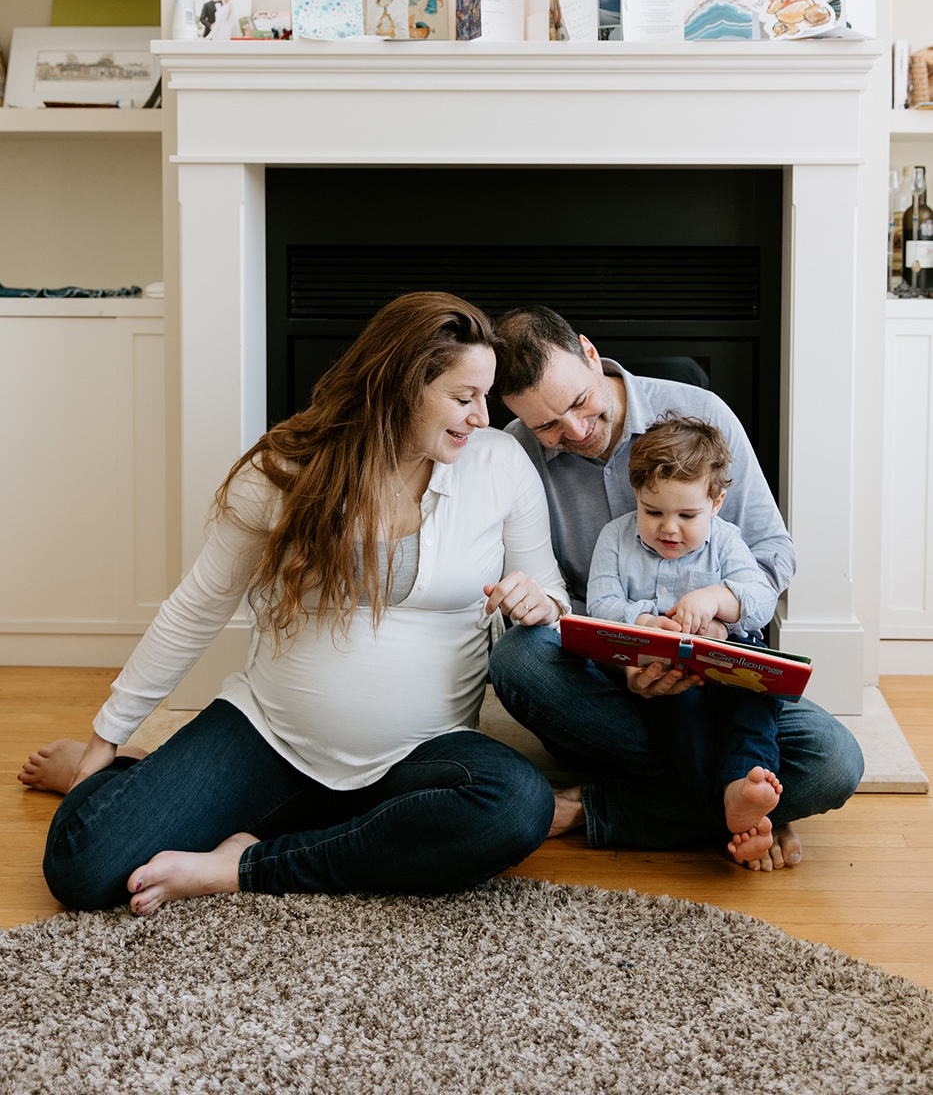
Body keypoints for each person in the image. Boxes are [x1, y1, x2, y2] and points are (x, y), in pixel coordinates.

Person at [20, 292, 567, 915]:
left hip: (418, 757)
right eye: (462, 397)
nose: (480, 418)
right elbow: (196, 608)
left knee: (517, 805)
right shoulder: (286, 467)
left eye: (485, 397)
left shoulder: (499, 465)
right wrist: (104, 742)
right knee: (81, 867)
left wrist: (539, 601)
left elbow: (549, 591)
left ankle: (244, 866)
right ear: (397, 387)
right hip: (270, 737)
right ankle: (144, 773)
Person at [488, 305, 863, 872]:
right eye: (546, 426)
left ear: (590, 354)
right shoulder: (514, 454)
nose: (574, 432)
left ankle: (592, 808)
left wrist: (722, 613)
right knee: (518, 658)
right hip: (608, 678)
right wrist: (625, 656)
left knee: (835, 762)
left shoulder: (698, 414)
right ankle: (737, 798)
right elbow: (558, 598)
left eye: (577, 404)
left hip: (720, 672)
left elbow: (772, 556)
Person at [587, 414, 786, 866]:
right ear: (636, 494)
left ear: (717, 503)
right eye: (653, 512)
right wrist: (642, 621)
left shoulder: (727, 541)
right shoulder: (615, 539)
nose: (669, 529)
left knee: (755, 707)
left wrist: (719, 598)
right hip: (660, 679)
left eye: (687, 515)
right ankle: (732, 814)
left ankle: (742, 788)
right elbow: (599, 605)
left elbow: (760, 600)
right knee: (685, 719)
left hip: (729, 672)